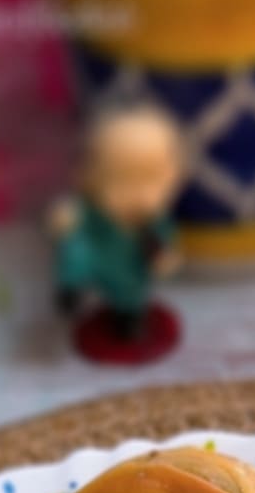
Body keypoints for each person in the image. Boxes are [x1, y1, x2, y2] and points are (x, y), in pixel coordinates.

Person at [48, 104, 185, 361]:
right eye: (122, 180)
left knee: (130, 296)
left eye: (148, 179)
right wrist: (66, 221)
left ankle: (129, 318)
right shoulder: (94, 207)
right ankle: (71, 290)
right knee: (75, 252)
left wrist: (162, 256)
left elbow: (164, 243)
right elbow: (75, 222)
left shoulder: (151, 221)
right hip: (98, 253)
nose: (135, 193)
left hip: (130, 268)